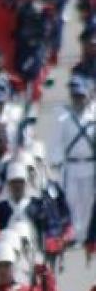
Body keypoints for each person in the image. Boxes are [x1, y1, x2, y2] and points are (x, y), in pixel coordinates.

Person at [49, 75, 95, 243]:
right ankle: (75, 233)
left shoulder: (92, 118)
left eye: (81, 96)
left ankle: (85, 233)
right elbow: (57, 142)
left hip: (90, 164)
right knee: (72, 200)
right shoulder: (64, 119)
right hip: (71, 165)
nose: (78, 99)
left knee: (88, 199)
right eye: (76, 96)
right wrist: (55, 162)